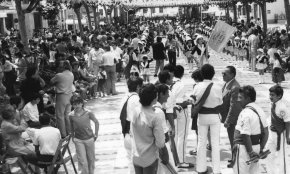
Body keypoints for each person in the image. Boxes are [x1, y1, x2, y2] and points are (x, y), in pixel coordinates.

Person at [192, 64, 222, 174]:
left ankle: (201, 168)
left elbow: (194, 101)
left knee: (201, 142)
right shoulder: (218, 87)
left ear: (202, 74)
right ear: (213, 74)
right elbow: (220, 102)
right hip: (214, 116)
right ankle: (217, 169)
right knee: (215, 143)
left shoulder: (197, 86)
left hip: (202, 116)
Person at [233, 86, 269, 174]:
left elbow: (245, 135)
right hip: (256, 147)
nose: (238, 100)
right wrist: (261, 148)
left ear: (248, 98)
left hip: (244, 149)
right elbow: (266, 132)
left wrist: (250, 152)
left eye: (240, 97)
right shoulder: (260, 110)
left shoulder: (245, 113)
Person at [131, 84, 165, 174]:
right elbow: (161, 143)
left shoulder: (135, 111)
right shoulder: (155, 117)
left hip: (136, 156)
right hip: (149, 158)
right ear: (154, 98)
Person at [69, 94, 99, 174]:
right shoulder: (71, 115)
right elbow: (71, 126)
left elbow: (96, 122)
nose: (77, 106)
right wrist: (73, 137)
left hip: (89, 138)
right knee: (82, 160)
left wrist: (96, 134)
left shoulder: (88, 112)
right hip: (78, 140)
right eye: (75, 104)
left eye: (78, 103)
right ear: (72, 105)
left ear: (82, 103)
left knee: (91, 159)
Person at [120, 77, 143, 174]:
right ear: (138, 87)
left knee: (131, 160)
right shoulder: (136, 99)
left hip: (127, 132)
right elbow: (140, 117)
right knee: (138, 162)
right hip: (134, 134)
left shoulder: (125, 97)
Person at [265, 85, 290, 174]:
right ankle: (271, 172)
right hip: (272, 133)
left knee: (282, 156)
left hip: (281, 134)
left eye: (272, 95)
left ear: (279, 96)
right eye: (270, 95)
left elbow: (287, 122)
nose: (270, 97)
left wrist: (287, 137)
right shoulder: (272, 103)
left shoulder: (283, 107)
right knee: (268, 154)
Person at [220, 66, 242, 158]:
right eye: (222, 73)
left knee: (234, 139)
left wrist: (228, 120)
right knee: (231, 138)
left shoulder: (235, 87)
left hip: (233, 119)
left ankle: (236, 158)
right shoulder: (226, 84)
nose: (223, 75)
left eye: (225, 73)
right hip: (227, 116)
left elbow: (234, 106)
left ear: (232, 75)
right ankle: (234, 157)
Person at [51, 60, 74, 138]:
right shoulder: (71, 74)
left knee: (60, 115)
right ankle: (70, 132)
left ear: (63, 66)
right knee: (67, 114)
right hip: (69, 95)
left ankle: (63, 134)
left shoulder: (59, 75)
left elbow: (51, 81)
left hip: (61, 96)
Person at [189, 69, 204, 156]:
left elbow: (193, 99)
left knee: (198, 131)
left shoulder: (196, 86)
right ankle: (208, 145)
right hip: (205, 110)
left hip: (197, 110)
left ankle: (198, 148)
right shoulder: (207, 85)